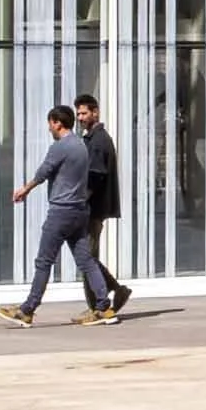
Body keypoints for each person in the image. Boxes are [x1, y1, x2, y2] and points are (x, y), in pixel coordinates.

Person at [0, 104, 117, 327]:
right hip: (80, 211)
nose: (49, 129)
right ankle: (103, 307)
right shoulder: (82, 146)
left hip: (61, 211)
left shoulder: (61, 147)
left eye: (50, 124)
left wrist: (26, 188)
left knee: (44, 261)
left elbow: (44, 171)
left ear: (57, 123)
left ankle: (27, 310)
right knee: (86, 260)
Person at [74, 92, 131, 317]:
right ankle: (110, 294)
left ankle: (100, 305)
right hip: (92, 209)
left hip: (92, 210)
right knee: (89, 258)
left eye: (84, 113)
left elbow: (95, 176)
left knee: (87, 259)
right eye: (78, 113)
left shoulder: (98, 141)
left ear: (95, 112)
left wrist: (80, 201)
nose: (80, 117)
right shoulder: (93, 139)